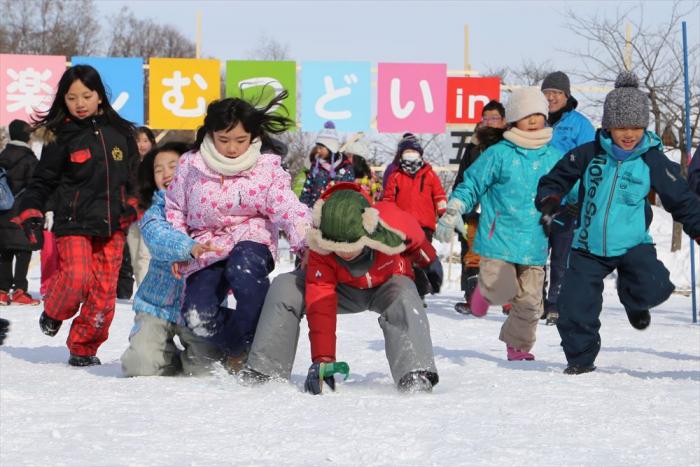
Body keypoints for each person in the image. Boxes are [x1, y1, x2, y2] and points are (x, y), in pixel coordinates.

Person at [536, 72, 700, 375]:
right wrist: (549, 199)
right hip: (588, 246)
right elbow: (556, 178)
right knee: (573, 307)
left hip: (632, 244)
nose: (628, 134)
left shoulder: (652, 160)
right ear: (608, 125)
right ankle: (580, 359)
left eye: (636, 127)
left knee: (657, 288)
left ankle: (634, 299)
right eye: (621, 126)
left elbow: (682, 200)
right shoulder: (589, 153)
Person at [240, 183, 442, 394]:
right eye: (337, 248)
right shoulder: (320, 245)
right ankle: (266, 372)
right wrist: (323, 360)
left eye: (351, 247)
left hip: (387, 285)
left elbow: (417, 241)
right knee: (285, 286)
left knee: (405, 293)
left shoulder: (391, 221)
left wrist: (430, 261)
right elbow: (321, 301)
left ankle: (415, 373)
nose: (345, 254)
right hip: (342, 291)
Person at [165, 92, 311, 373]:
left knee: (242, 273)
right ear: (210, 134)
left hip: (250, 239)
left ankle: (243, 345)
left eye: (240, 141)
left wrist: (305, 244)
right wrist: (180, 247)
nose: (232, 148)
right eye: (224, 140)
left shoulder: (266, 169)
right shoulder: (190, 165)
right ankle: (242, 339)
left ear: (253, 137)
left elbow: (290, 208)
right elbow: (174, 209)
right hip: (205, 246)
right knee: (196, 315)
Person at [14, 64, 139, 367]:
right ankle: (55, 311)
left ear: (100, 96)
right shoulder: (61, 136)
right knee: (76, 278)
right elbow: (43, 181)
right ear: (63, 99)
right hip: (74, 222)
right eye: (72, 97)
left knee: (103, 294)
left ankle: (83, 347)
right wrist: (32, 208)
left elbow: (136, 177)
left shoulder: (121, 132)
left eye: (87, 95)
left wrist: (135, 203)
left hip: (113, 224)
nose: (80, 103)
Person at [436, 87, 562, 361]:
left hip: (535, 242)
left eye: (538, 114)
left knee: (530, 303)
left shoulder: (553, 157)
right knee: (501, 287)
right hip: (499, 238)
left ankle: (517, 347)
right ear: (514, 118)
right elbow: (472, 183)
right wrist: (456, 207)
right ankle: (484, 291)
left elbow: (570, 189)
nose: (532, 120)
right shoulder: (498, 153)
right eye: (526, 114)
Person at [121, 142, 224, 377]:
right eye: (159, 169)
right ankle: (163, 355)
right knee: (139, 365)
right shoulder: (155, 212)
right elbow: (159, 238)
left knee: (205, 371)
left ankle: (194, 356)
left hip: (200, 307)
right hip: (156, 305)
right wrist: (190, 247)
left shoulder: (210, 206)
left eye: (173, 166)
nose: (166, 173)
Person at [540, 71, 596, 325]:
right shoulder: (534, 121)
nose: (551, 98)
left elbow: (590, 165)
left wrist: (579, 200)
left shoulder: (581, 125)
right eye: (547, 93)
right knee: (535, 255)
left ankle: (556, 304)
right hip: (539, 202)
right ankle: (535, 302)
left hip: (567, 204)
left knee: (562, 259)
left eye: (556, 93)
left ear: (567, 95)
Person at [450, 101, 507, 315]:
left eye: (494, 118)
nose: (490, 122)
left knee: (503, 253)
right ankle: (472, 298)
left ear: (503, 121)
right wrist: (456, 204)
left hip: (502, 209)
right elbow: (463, 175)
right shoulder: (474, 146)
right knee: (472, 253)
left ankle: (508, 301)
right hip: (475, 207)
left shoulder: (510, 145)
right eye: (486, 118)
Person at [383, 133, 447, 298]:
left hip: (425, 225)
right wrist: (387, 220)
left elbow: (439, 196)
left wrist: (445, 215)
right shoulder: (395, 176)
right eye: (407, 152)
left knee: (422, 258)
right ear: (401, 154)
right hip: (402, 226)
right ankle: (409, 292)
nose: (410, 155)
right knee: (404, 260)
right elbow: (388, 199)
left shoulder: (429, 174)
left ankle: (422, 290)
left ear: (420, 154)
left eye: (414, 152)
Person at [0, 120, 40, 306]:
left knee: (5, 252)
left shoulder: (2, 155)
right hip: (22, 215)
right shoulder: (30, 159)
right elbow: (37, 187)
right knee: (24, 252)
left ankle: (1, 290)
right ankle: (20, 290)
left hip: (2, 213)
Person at [120, 126, 157, 297]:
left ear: (151, 143)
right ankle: (142, 291)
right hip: (132, 216)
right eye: (138, 140)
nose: (141, 145)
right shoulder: (127, 164)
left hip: (153, 216)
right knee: (135, 258)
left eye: (145, 141)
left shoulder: (158, 162)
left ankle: (146, 294)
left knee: (145, 256)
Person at [299, 121, 355, 208]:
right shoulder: (316, 166)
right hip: (312, 210)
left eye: (321, 148)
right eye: (317, 147)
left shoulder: (345, 167)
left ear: (330, 147)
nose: (318, 151)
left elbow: (348, 193)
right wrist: (302, 209)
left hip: (334, 213)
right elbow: (307, 189)